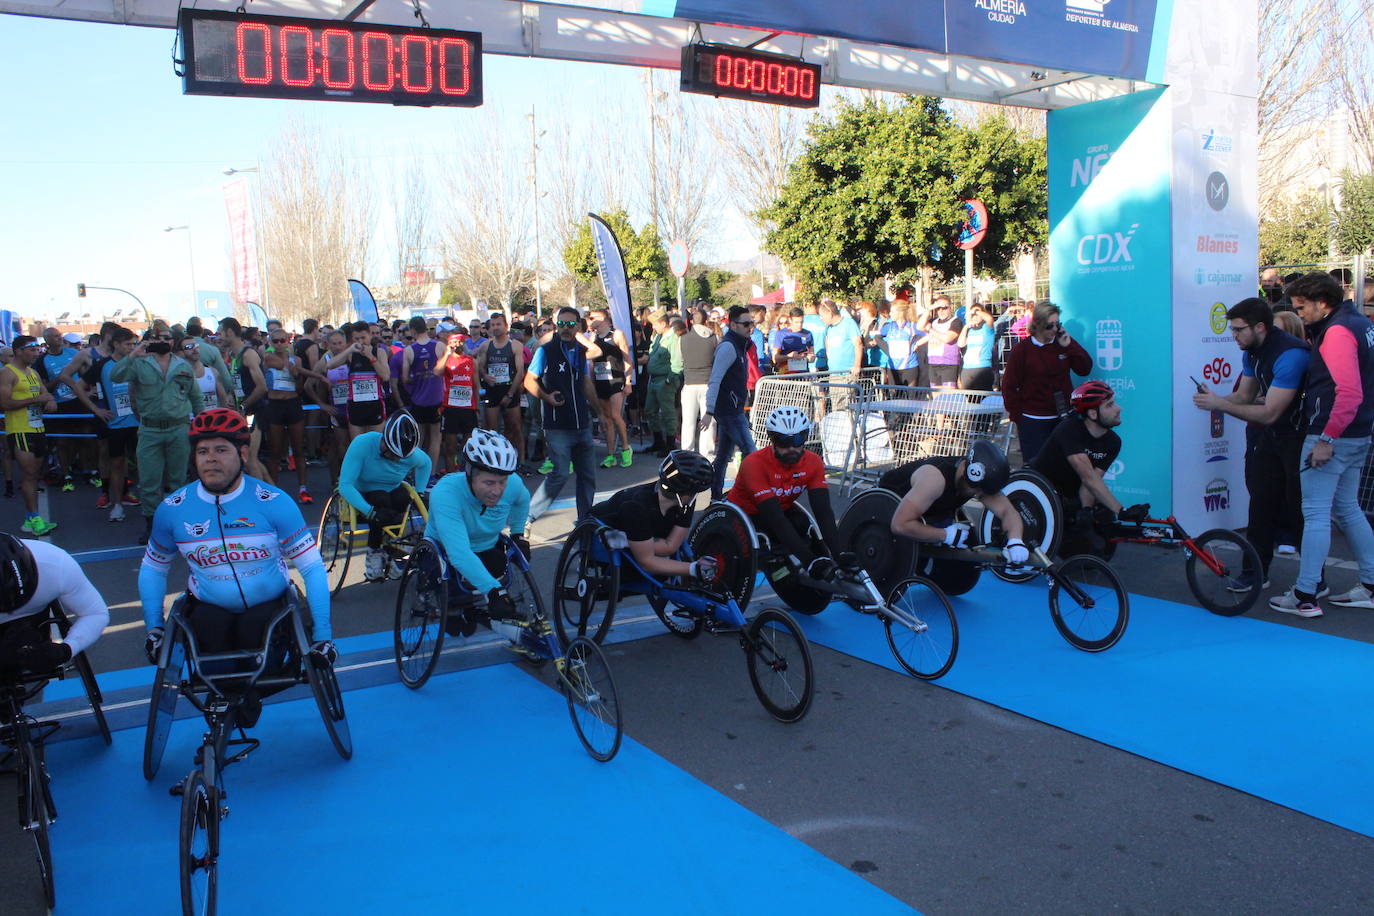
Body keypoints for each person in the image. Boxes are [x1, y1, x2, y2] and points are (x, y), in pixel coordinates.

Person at [139, 409, 335, 724]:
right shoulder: (172, 509)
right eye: (202, 451)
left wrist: (323, 635)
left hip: (268, 606)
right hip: (209, 607)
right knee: (211, 643)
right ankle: (232, 698)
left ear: (243, 453)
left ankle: (242, 697)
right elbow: (153, 568)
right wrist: (154, 629)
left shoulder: (273, 501)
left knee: (252, 635)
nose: (210, 459)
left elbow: (311, 567)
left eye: (220, 450)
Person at [1269, 273, 1374, 616]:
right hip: (1357, 433)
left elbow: (1350, 392)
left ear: (1321, 302)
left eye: (1301, 308)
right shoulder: (1358, 322)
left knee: (1315, 514)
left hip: (1332, 434)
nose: (1299, 315)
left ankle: (1304, 595)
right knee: (1347, 508)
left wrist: (1327, 438)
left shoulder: (1338, 332)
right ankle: (1370, 585)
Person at [1190, 298, 1309, 591]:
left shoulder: (1291, 354)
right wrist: (1214, 400)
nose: (1234, 336)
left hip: (1300, 437)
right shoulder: (1251, 351)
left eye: (1238, 330)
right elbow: (1244, 397)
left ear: (1259, 327)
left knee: (1300, 511)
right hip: (1272, 437)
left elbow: (1270, 412)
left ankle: (1313, 582)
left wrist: (1219, 404)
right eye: (1231, 330)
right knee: (1261, 503)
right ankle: (1254, 572)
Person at [426, 430, 532, 647]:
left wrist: (518, 534)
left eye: (502, 482)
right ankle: (458, 606)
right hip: (444, 552)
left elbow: (523, 500)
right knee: (457, 623)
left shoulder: (512, 484)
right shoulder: (445, 493)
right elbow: (459, 554)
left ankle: (480, 606)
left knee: (498, 565)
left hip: (485, 546)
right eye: (489, 483)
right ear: (470, 473)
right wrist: (493, 592)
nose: (497, 491)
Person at [726, 407, 846, 580]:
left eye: (797, 440)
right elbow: (775, 519)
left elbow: (823, 512)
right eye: (783, 441)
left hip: (779, 511)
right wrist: (808, 560)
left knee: (801, 523)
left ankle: (798, 564)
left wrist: (839, 554)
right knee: (772, 536)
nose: (791, 448)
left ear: (805, 438)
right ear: (772, 440)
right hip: (744, 515)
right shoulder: (754, 463)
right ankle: (778, 567)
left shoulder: (813, 462)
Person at [1031, 380, 1146, 556]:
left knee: (1101, 519)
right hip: (1040, 490)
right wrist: (1121, 511)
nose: (1118, 408)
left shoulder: (1113, 442)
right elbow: (1088, 478)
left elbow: (1092, 481)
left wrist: (1086, 510)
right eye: (1110, 405)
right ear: (1093, 413)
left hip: (1069, 492)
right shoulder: (1068, 429)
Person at [113, 327, 204, 545]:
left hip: (179, 428)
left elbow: (196, 398)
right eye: (158, 338)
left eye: (167, 338)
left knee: (178, 480)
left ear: (174, 342)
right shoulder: (139, 363)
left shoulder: (182, 365)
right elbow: (115, 376)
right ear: (150, 340)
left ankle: (179, 525)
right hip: (150, 430)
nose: (163, 341)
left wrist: (202, 429)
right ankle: (152, 526)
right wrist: (134, 354)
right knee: (149, 481)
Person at [883, 440, 1029, 567]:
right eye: (977, 490)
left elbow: (1008, 512)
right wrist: (944, 535)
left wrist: (1015, 540)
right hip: (883, 514)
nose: (979, 496)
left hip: (927, 513)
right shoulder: (934, 480)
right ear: (969, 474)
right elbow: (899, 524)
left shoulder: (977, 483)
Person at [591, 449, 718, 584]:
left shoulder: (685, 500)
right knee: (639, 571)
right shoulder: (637, 507)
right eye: (695, 492)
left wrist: (639, 545)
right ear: (684, 495)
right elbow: (647, 562)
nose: (696, 496)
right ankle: (627, 542)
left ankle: (627, 542)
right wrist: (693, 568)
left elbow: (671, 547)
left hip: (640, 532)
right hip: (601, 526)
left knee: (657, 567)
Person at [524, 306, 603, 522]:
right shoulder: (546, 351)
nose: (565, 328)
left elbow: (586, 382)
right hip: (557, 425)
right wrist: (546, 396)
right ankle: (527, 517)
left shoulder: (579, 351)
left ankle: (585, 520)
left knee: (587, 477)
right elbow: (529, 381)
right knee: (559, 474)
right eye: (561, 324)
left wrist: (600, 412)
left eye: (570, 324)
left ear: (578, 326)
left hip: (582, 423)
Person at [338, 411, 432, 582]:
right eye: (393, 455)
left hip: (393, 488)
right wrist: (370, 512)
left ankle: (390, 547)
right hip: (364, 491)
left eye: (400, 457)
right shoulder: (363, 444)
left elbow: (426, 464)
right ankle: (373, 551)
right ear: (384, 441)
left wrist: (420, 492)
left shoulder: (411, 454)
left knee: (404, 497)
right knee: (381, 500)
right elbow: (345, 486)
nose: (396, 460)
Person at [0, 535, 109, 678]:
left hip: (28, 623)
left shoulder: (56, 564)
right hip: (28, 616)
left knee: (33, 657)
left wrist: (66, 649)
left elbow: (95, 613)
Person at [1001, 302, 1092, 464]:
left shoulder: (1062, 343)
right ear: (1038, 325)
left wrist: (1070, 346)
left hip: (1063, 417)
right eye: (1050, 326)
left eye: (1058, 324)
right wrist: (1018, 417)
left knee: (1067, 466)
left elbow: (1084, 369)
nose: (1055, 330)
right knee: (1037, 466)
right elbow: (1009, 386)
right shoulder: (1022, 350)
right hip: (1033, 420)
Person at [0, 336, 58, 535]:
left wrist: (50, 401)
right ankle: (34, 516)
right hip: (20, 429)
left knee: (35, 475)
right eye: (32, 350)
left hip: (38, 427)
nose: (36, 353)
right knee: (29, 474)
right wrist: (37, 399)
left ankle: (30, 518)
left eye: (36, 350)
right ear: (18, 351)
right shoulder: (7, 373)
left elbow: (46, 394)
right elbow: (5, 404)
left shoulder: (32, 372)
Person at [702, 306, 758, 500]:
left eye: (752, 323)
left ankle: (716, 495)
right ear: (733, 325)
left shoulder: (740, 344)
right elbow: (715, 379)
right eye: (745, 324)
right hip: (729, 411)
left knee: (724, 455)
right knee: (751, 453)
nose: (750, 327)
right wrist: (709, 411)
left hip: (732, 409)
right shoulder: (728, 346)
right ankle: (750, 494)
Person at [262, 329, 312, 502]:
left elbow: (299, 387)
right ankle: (273, 490)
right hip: (275, 404)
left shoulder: (296, 360)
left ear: (288, 341)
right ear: (270, 343)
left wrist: (297, 374)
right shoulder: (268, 358)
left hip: (292, 403)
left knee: (298, 448)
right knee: (275, 451)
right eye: (275, 341)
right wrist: (292, 368)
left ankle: (303, 488)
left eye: (282, 340)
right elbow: (275, 363)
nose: (279, 344)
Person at [219, 317, 271, 481]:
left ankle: (261, 500)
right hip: (246, 410)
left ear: (229, 332)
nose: (218, 337)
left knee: (249, 459)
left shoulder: (248, 354)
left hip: (256, 410)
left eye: (220, 332)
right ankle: (273, 491)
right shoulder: (234, 356)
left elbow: (262, 386)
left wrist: (243, 406)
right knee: (250, 458)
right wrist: (231, 398)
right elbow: (239, 383)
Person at [474, 312, 527, 471]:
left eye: (499, 324)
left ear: (506, 326)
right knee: (492, 428)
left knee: (516, 427)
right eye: (493, 325)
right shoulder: (485, 346)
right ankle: (493, 461)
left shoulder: (515, 345)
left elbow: (519, 372)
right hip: (492, 391)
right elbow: (479, 366)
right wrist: (485, 376)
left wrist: (511, 393)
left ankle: (521, 462)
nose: (496, 328)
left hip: (509, 390)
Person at [322, 321, 391, 437]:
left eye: (363, 338)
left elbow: (385, 376)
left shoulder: (379, 352)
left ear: (370, 335)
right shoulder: (351, 354)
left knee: (375, 445)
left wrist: (370, 357)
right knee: (357, 445)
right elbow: (329, 365)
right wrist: (349, 350)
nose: (360, 342)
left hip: (375, 405)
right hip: (356, 407)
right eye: (356, 338)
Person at [35, 327, 83, 492]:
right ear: (47, 341)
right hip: (59, 404)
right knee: (62, 442)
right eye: (55, 336)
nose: (59, 338)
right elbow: (44, 387)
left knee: (86, 439)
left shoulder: (73, 353)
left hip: (78, 401)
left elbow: (85, 374)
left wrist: (87, 390)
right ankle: (66, 474)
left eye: (59, 335)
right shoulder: (41, 361)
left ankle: (91, 471)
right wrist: (60, 377)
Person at [587, 308, 635, 469]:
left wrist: (628, 381)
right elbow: (593, 363)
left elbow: (628, 359)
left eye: (594, 317)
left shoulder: (616, 334)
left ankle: (626, 449)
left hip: (616, 379)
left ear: (604, 319)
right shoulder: (593, 337)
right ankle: (610, 455)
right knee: (605, 419)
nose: (591, 320)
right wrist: (592, 382)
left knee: (615, 415)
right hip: (601, 380)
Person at [400, 316, 446, 482]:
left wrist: (416, 380)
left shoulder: (409, 350)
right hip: (436, 400)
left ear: (412, 330)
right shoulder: (440, 346)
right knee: (435, 438)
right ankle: (431, 474)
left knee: (417, 440)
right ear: (426, 328)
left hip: (419, 400)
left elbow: (405, 378)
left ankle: (416, 475)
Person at [435, 328, 480, 473]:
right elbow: (436, 372)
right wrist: (447, 354)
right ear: (449, 343)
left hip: (468, 408)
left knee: (469, 446)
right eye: (454, 342)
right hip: (450, 408)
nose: (457, 344)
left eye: (460, 341)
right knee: (450, 446)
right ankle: (450, 476)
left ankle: (465, 473)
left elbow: (475, 385)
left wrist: (477, 407)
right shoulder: (446, 359)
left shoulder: (471, 361)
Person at [679, 308, 718, 459]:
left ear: (691, 321)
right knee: (708, 421)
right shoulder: (714, 338)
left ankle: (686, 454)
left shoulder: (682, 339)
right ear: (706, 321)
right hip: (708, 384)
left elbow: (679, 361)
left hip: (689, 384)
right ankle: (707, 455)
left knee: (688, 422)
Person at [957, 303, 997, 390]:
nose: (975, 316)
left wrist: (977, 311)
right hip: (967, 368)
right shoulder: (970, 330)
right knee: (970, 400)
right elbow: (960, 344)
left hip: (982, 368)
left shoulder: (986, 328)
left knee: (983, 399)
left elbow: (989, 319)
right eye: (973, 315)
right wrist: (966, 327)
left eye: (977, 314)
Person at [770, 307, 816, 376]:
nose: (799, 325)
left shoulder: (808, 334)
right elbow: (775, 358)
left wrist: (810, 358)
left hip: (803, 375)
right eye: (796, 322)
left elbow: (811, 356)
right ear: (790, 320)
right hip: (786, 375)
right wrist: (789, 356)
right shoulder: (781, 334)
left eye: (801, 322)